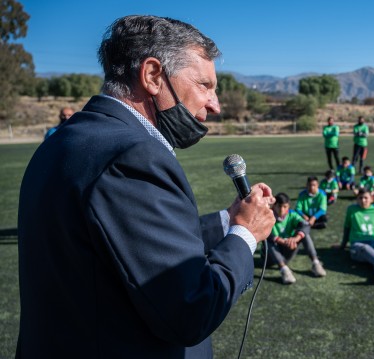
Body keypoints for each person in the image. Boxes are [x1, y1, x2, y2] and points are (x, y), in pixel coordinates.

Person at [16, 15, 276, 359]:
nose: (215, 104)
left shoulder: (66, 140)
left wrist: (229, 220)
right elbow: (191, 311)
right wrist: (245, 235)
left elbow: (128, 245)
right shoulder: (133, 156)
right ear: (153, 76)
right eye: (204, 85)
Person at [334, 188, 374, 285]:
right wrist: (343, 245)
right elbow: (347, 228)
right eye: (360, 198)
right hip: (358, 245)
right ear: (357, 199)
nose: (363, 200)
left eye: (365, 198)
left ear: (372, 199)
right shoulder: (352, 209)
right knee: (368, 250)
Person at [266, 193, 326, 284]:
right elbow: (265, 233)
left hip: (288, 248)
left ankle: (315, 262)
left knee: (304, 234)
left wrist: (296, 238)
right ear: (274, 206)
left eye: (285, 206)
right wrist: (282, 241)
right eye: (279, 206)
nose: (282, 209)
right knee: (267, 240)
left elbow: (306, 226)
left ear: (288, 206)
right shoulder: (268, 215)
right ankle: (284, 269)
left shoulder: (292, 214)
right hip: (270, 257)